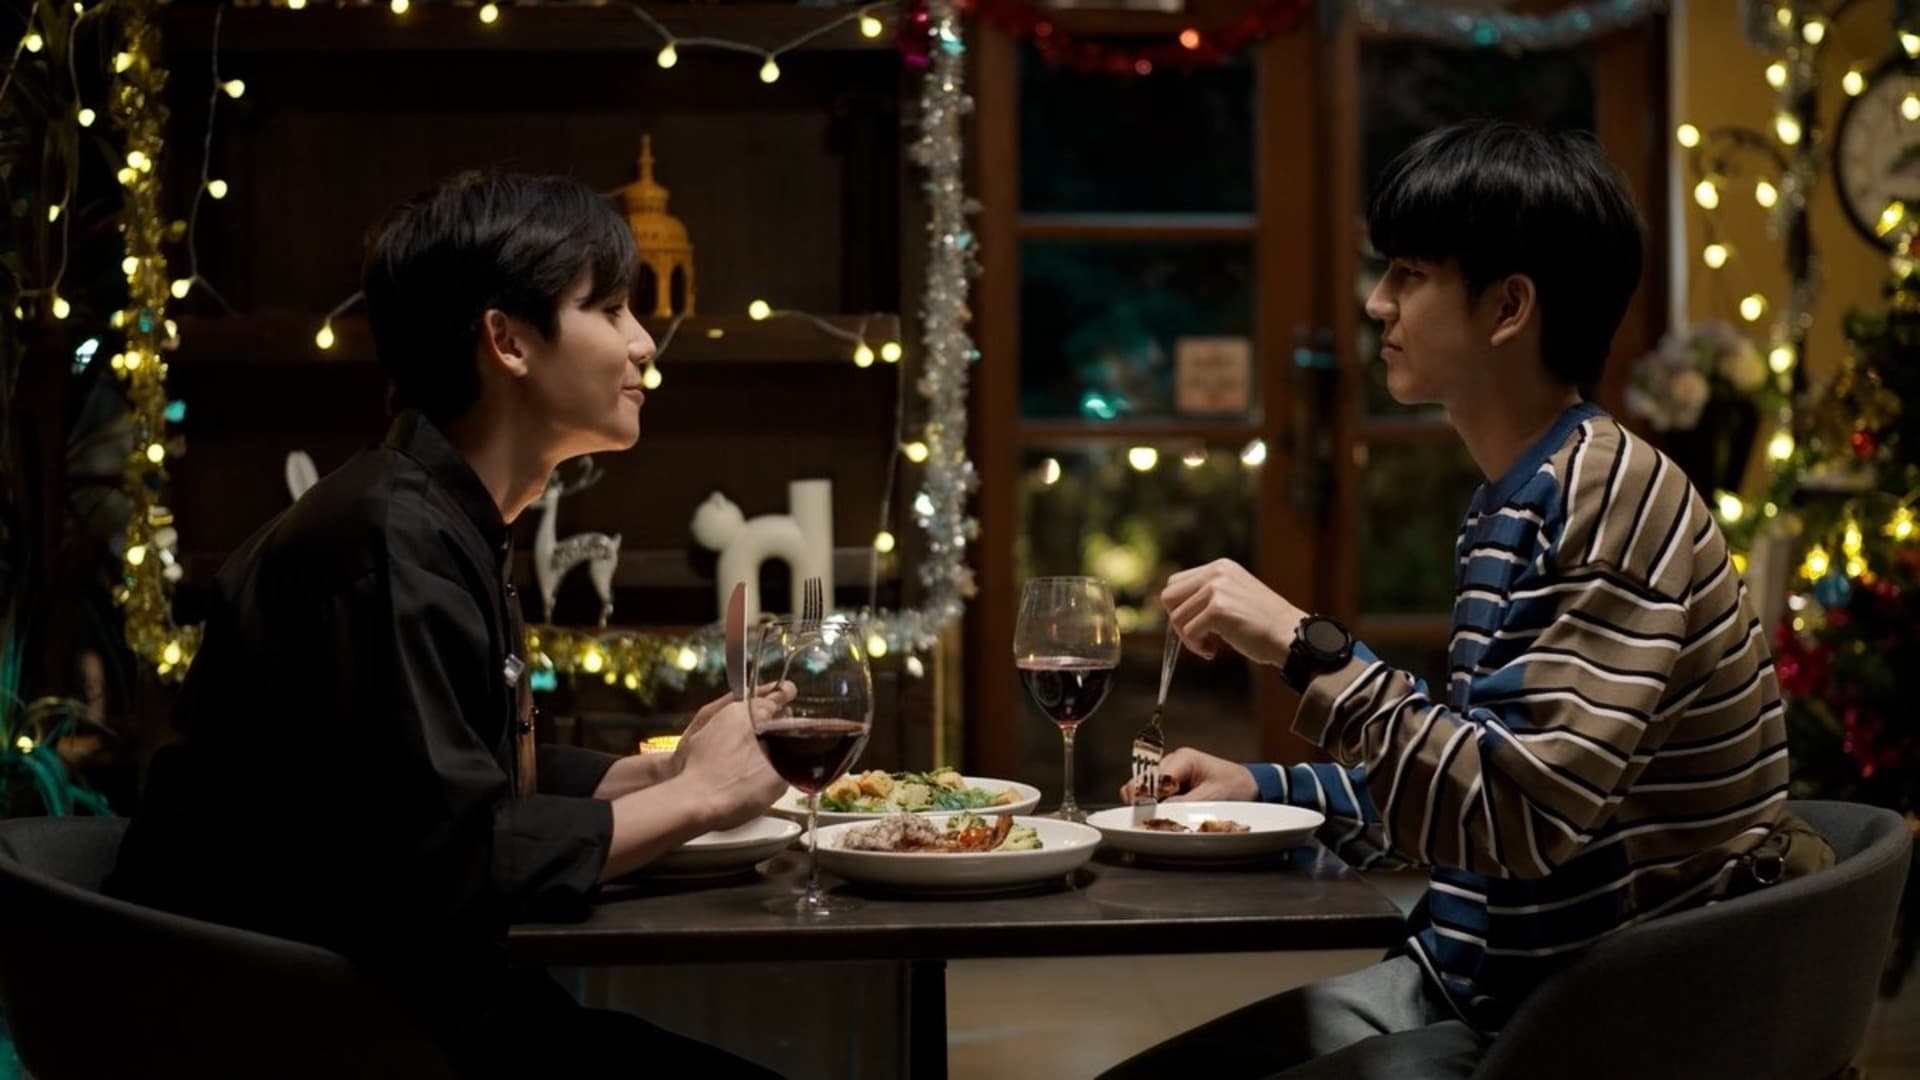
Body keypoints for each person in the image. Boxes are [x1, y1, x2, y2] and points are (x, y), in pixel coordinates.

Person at [1105, 121, 1832, 1078]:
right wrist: (1265, 787)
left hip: (1593, 1026)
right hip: (1481, 988)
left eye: (1409, 273)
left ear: (1509, 307)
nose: (1377, 302)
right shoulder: (1518, 498)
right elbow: (1476, 780)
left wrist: (1306, 646)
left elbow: (1519, 820)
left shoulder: (1608, 497)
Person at [108, 172, 786, 1077]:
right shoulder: (386, 539)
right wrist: (698, 796)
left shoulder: (436, 516)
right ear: (506, 340)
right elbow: (459, 865)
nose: (643, 343)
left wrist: (657, 770)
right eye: (610, 308)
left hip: (390, 1004)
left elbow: (442, 781)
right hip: (297, 1030)